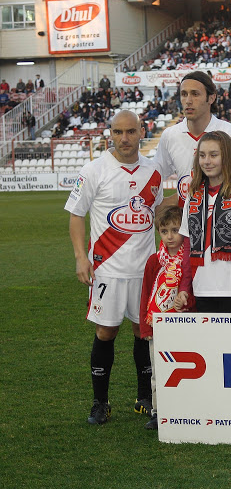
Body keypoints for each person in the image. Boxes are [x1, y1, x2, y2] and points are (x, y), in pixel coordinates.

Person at [64, 110, 163, 426]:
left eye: (131, 131)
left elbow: (159, 215)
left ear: (142, 132)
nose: (124, 138)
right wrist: (81, 257)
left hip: (146, 269)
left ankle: (144, 398)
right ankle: (100, 402)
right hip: (107, 268)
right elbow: (76, 215)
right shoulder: (94, 169)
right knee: (106, 331)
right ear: (110, 133)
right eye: (118, 132)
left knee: (142, 331)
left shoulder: (153, 171)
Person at [175, 131, 231, 314]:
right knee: (205, 343)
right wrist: (185, 286)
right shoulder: (192, 197)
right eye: (202, 155)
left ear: (228, 157)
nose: (207, 161)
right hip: (200, 288)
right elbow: (187, 245)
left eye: (214, 155)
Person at [154, 71, 231, 209]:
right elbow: (155, 177)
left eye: (195, 94)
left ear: (211, 98)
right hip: (186, 226)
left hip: (222, 224)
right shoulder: (170, 135)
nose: (188, 100)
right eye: (184, 94)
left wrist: (219, 207)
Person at [139, 205, 195, 430]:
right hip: (158, 324)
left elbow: (194, 290)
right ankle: (157, 411)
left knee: (185, 366)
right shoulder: (154, 261)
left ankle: (185, 408)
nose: (170, 236)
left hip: (183, 323)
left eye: (175, 230)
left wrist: (188, 304)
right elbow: (145, 294)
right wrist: (145, 328)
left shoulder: (190, 259)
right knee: (158, 369)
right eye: (164, 231)